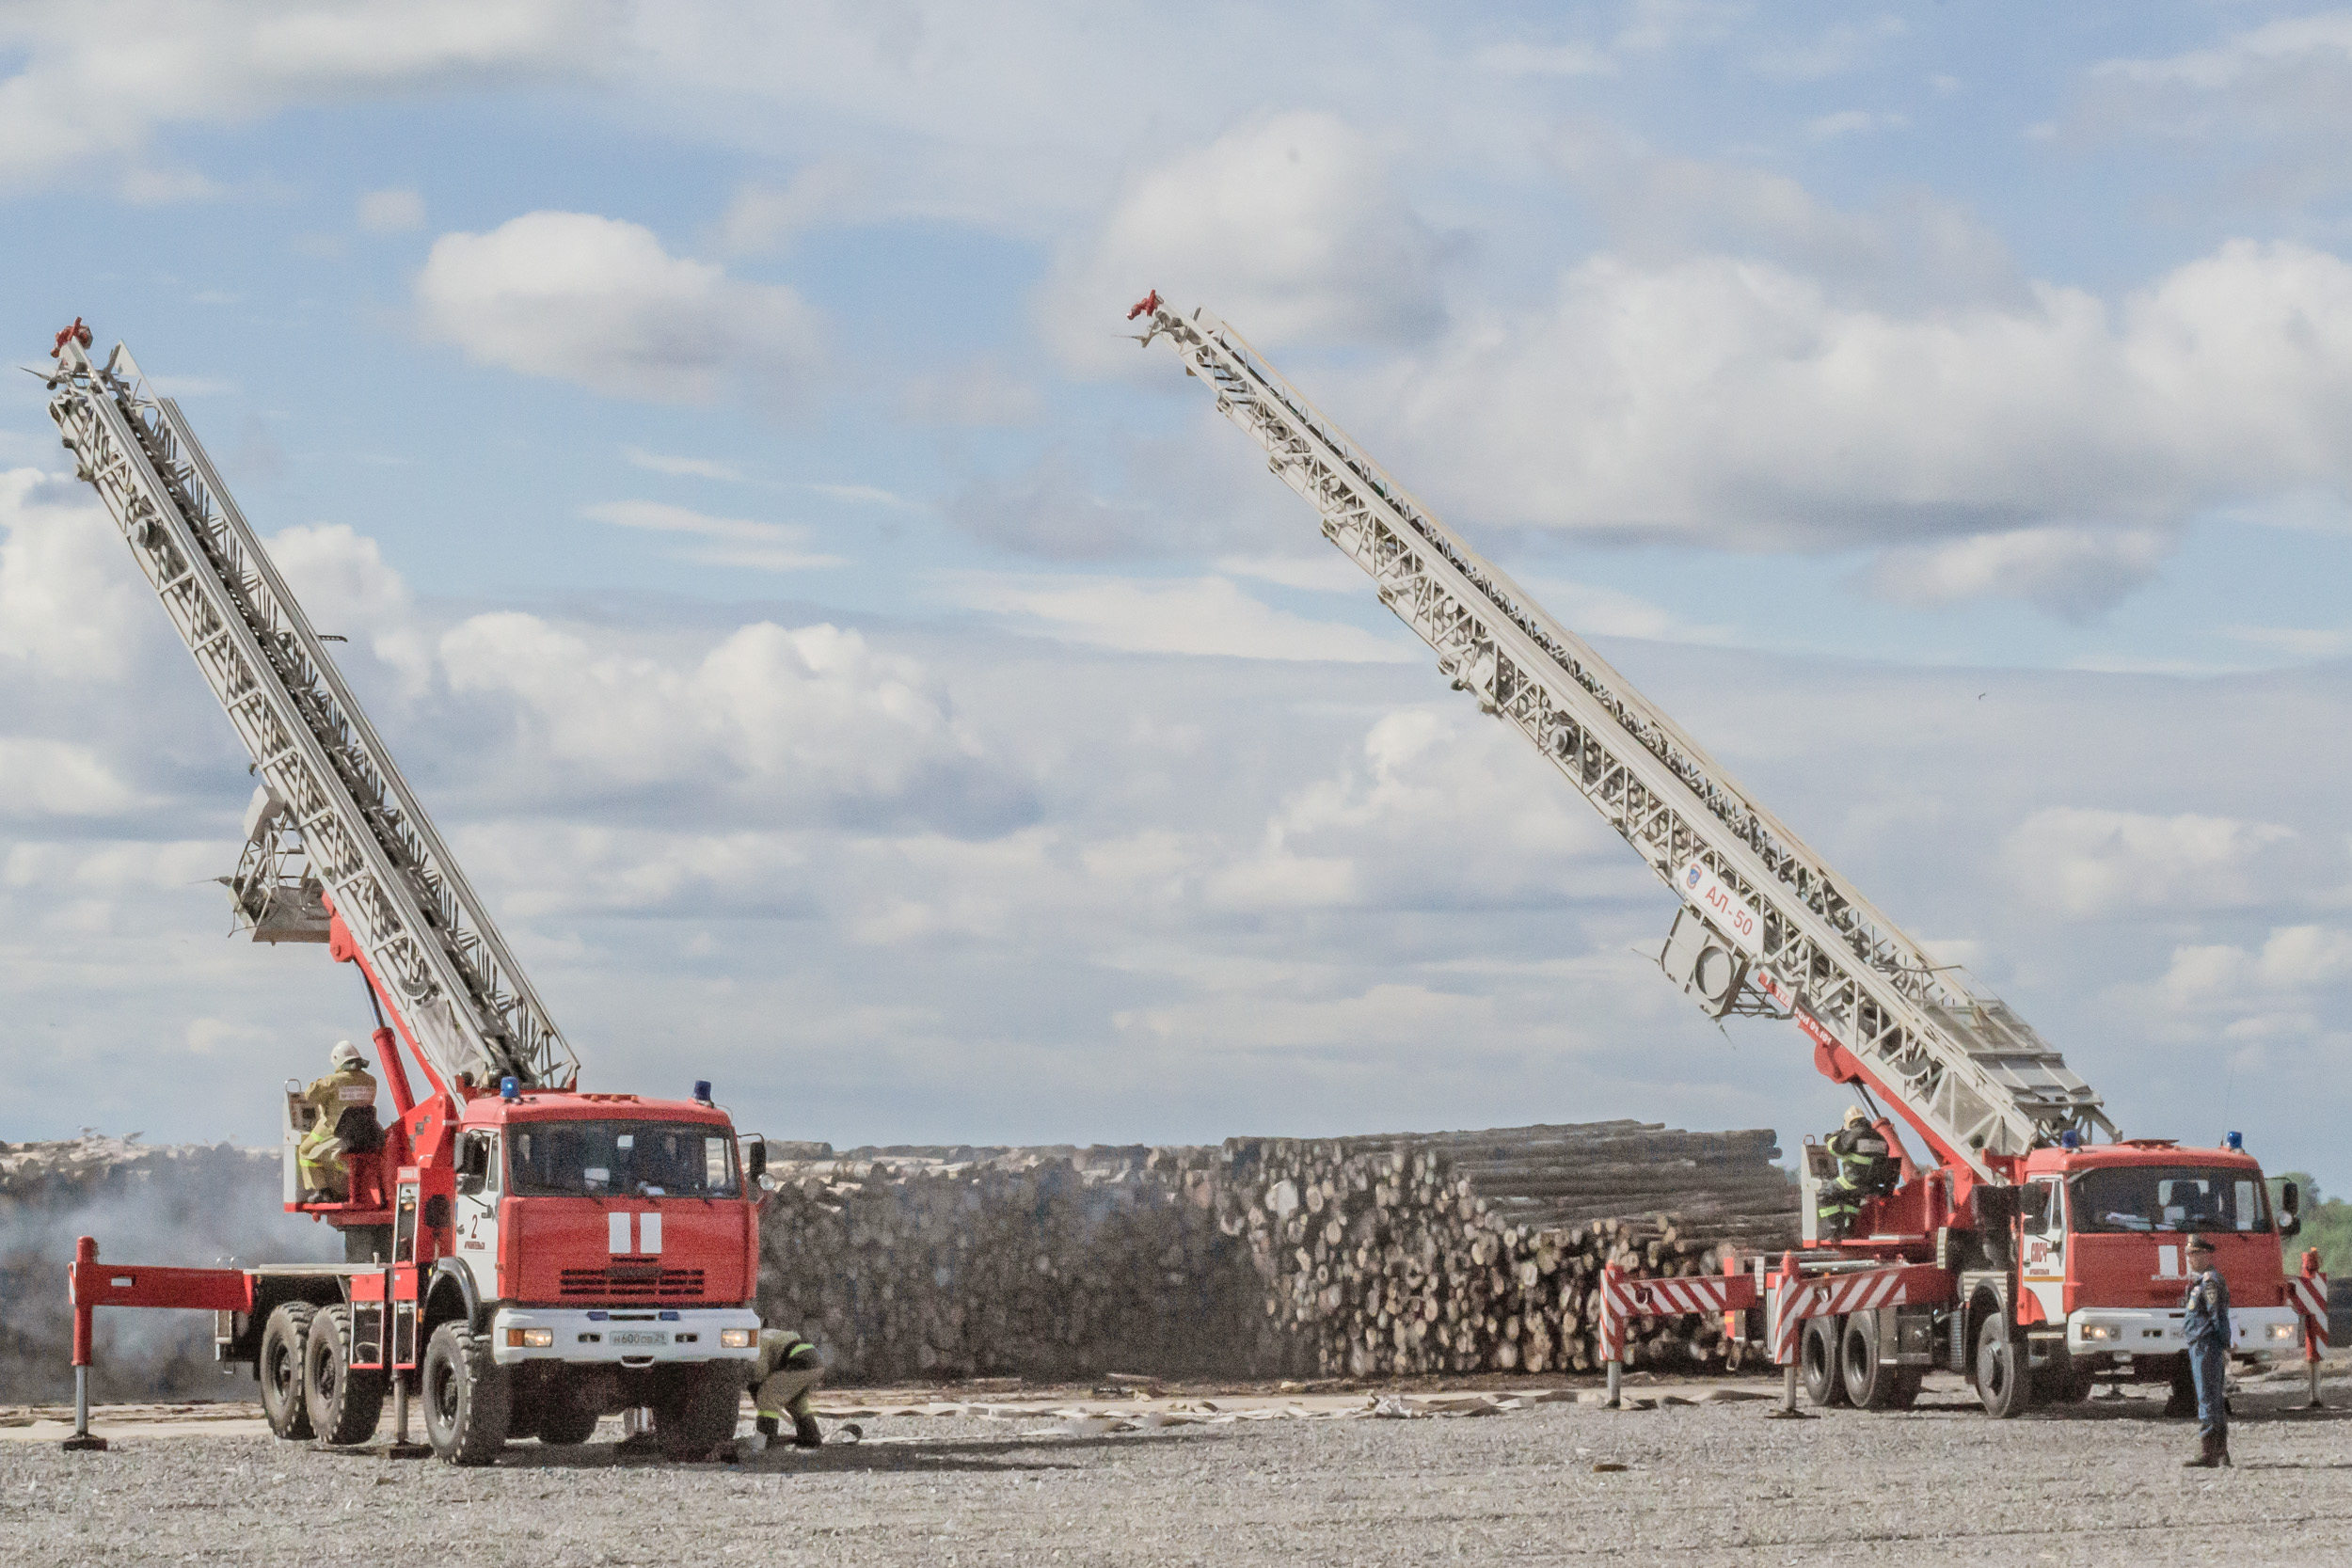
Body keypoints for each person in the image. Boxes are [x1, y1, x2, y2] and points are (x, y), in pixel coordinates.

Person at [294, 1039, 377, 1199]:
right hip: (366, 1136)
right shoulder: (371, 1081)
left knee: (305, 1151)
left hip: (338, 1135)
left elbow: (310, 1095)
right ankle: (343, 1188)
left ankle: (322, 1191)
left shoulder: (332, 1081)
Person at [2181, 1234, 2233, 1468]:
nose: (2189, 1259)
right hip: (2199, 1345)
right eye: (2188, 1254)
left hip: (2206, 1344)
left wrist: (2223, 1345)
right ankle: (2215, 1451)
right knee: (2207, 1396)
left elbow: (2217, 1315)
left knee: (2208, 1397)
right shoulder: (2200, 1282)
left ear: (2204, 1255)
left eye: (2193, 1254)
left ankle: (2213, 1453)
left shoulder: (2210, 1282)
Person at [1818, 1106, 1895, 1241]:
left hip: (1854, 1181)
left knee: (1824, 1193)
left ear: (1849, 1122)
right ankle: (1849, 1229)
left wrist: (1833, 1137)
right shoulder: (1880, 1138)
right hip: (1872, 1184)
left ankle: (1835, 1229)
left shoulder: (1852, 1134)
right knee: (1851, 1198)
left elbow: (1835, 1150)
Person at [749, 1327, 825, 1449]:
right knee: (796, 1402)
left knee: (767, 1397)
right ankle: (810, 1436)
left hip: (799, 1361)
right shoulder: (773, 1334)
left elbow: (760, 1370)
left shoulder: (758, 1339)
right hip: (815, 1360)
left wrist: (755, 1390)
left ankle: (765, 1442)